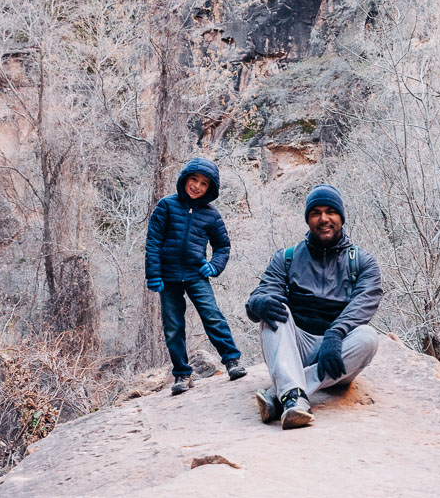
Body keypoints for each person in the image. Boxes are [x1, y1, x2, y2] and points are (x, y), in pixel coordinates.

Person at [246, 184, 382, 430]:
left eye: (330, 211)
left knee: (368, 337)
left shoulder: (362, 262)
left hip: (338, 351)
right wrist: (258, 302)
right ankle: (294, 398)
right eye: (315, 213)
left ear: (341, 217)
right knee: (274, 312)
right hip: (296, 347)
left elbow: (366, 301)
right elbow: (263, 293)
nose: (323, 219)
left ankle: (286, 394)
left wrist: (336, 333)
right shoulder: (286, 258)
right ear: (308, 219)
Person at [145, 157, 245, 395]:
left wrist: (214, 266)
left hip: (195, 274)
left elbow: (223, 246)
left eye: (204, 183)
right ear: (185, 179)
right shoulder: (166, 206)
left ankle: (232, 360)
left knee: (212, 316)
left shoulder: (211, 215)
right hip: (167, 277)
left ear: (210, 189)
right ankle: (181, 373)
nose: (197, 186)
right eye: (194, 179)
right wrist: (154, 274)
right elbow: (153, 242)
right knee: (173, 326)